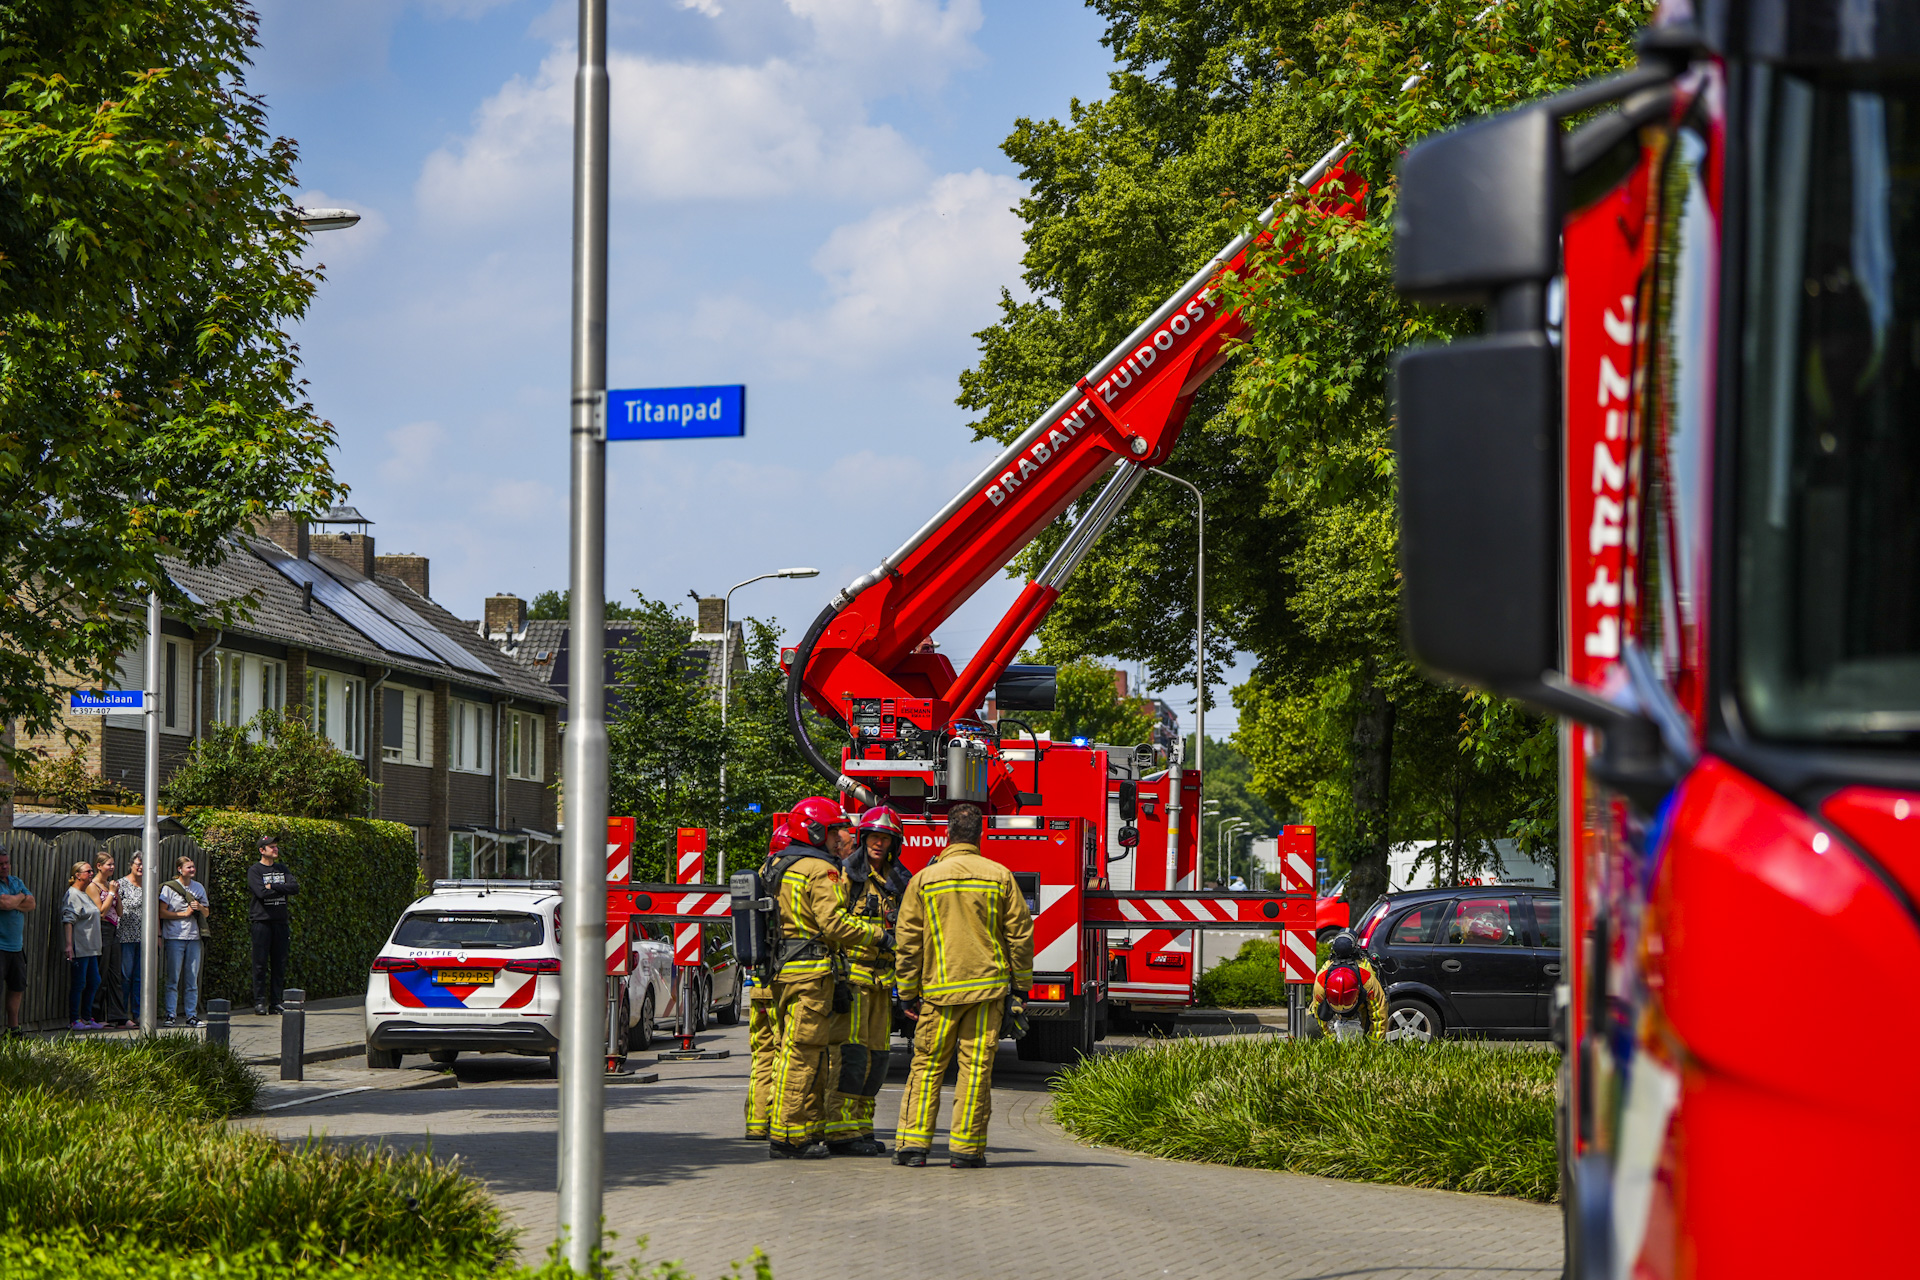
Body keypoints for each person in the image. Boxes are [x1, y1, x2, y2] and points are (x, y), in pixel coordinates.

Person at [893, 801, 1034, 1169]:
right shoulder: (1000, 876)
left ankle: (912, 1147)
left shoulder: (923, 880)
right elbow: (1019, 936)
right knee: (975, 1070)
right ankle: (966, 1152)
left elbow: (907, 942)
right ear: (980, 836)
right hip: (987, 994)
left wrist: (907, 991)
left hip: (938, 992)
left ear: (947, 834)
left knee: (926, 1067)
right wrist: (1020, 987)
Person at [765, 796, 885, 1160]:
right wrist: (879, 936)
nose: (841, 838)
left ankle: (802, 1131)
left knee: (795, 1052)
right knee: (802, 1055)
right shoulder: (821, 871)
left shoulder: (779, 865)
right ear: (816, 831)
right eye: (835, 830)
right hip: (811, 976)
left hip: (785, 971)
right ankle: (787, 1136)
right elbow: (833, 923)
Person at [823, 804, 909, 1155]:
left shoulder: (897, 881)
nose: (879, 843)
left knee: (877, 1060)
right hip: (854, 980)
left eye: (885, 839)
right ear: (863, 839)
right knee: (851, 1056)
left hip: (883, 983)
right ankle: (839, 1129)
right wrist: (877, 936)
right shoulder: (847, 876)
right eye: (874, 836)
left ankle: (860, 1127)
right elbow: (834, 923)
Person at [743, 824, 791, 1142]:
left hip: (756, 981)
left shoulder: (760, 876)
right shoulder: (788, 879)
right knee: (781, 1050)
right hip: (778, 982)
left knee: (760, 1054)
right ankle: (775, 1118)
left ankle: (756, 1122)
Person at [248, 833, 301, 1014]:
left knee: (279, 963)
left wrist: (274, 887)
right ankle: (259, 1002)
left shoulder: (282, 869)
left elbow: (294, 888)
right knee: (260, 963)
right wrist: (277, 889)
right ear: (262, 850)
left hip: (280, 922)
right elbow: (261, 893)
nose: (275, 848)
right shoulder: (255, 871)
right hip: (261, 922)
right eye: (272, 846)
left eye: (276, 846)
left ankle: (276, 1001)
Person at [159, 855, 210, 1027]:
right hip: (174, 937)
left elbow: (207, 913)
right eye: (189, 867)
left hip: (194, 937)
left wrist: (199, 907)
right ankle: (170, 1014)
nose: (192, 870)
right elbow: (161, 912)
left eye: (193, 866)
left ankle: (191, 1015)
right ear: (179, 869)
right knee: (173, 977)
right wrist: (184, 914)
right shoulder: (169, 888)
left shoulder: (198, 887)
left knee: (192, 978)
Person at [1310, 932, 1386, 1042]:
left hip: (1361, 1007)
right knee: (1311, 1027)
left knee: (1368, 1023)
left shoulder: (1367, 980)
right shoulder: (1321, 983)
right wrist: (1330, 1039)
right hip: (1333, 1009)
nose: (1342, 1008)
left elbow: (1379, 1015)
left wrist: (1373, 1046)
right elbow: (1320, 1017)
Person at [61, 861, 104, 1030]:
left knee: (94, 981)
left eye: (92, 871)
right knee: (79, 983)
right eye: (88, 871)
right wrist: (69, 945)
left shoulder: (84, 894)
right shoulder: (72, 895)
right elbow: (68, 920)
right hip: (80, 946)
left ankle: (87, 1017)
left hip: (91, 947)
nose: (91, 873)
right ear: (77, 875)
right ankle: (74, 1020)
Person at [87, 851, 128, 1027]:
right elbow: (101, 912)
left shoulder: (110, 886)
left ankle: (117, 1015)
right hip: (101, 929)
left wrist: (115, 894)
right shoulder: (93, 886)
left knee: (115, 974)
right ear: (99, 866)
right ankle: (96, 1014)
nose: (112, 867)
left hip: (113, 929)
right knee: (101, 973)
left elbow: (119, 912)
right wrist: (111, 893)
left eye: (113, 864)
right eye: (108, 864)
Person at [0, 848, 36, 1037]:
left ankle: (13, 1029)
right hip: (0, 946)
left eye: (6, 863)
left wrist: (16, 899)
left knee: (17, 987)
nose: (5, 867)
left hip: (16, 946)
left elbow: (31, 904)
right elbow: (3, 903)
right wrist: (20, 897)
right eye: (1, 864)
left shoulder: (16, 881)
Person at [116, 854, 146, 1027]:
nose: (141, 868)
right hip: (126, 936)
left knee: (139, 978)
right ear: (131, 865)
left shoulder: (149, 884)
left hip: (143, 938)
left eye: (143, 865)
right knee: (125, 976)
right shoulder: (121, 884)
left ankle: (138, 1014)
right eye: (138, 864)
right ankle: (122, 1015)